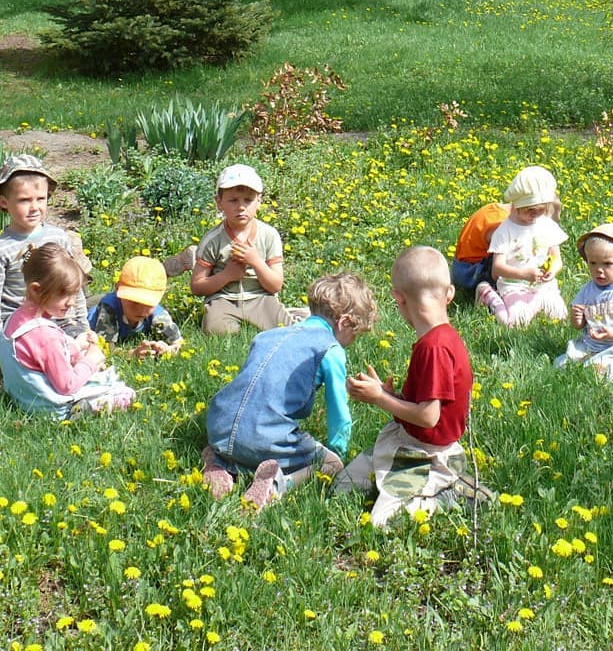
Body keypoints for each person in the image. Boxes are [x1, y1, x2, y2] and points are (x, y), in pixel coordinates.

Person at [337, 246, 487, 526]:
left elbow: (429, 417)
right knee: (343, 486)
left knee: (382, 522)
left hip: (424, 451)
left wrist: (379, 398)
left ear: (399, 298)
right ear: (450, 293)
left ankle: (449, 492)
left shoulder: (434, 348)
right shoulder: (442, 339)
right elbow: (428, 404)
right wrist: (389, 394)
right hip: (410, 439)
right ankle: (433, 480)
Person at [201, 272, 376, 510]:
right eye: (354, 335)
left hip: (218, 426)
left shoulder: (267, 336)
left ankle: (219, 462)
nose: (351, 342)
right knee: (331, 465)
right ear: (344, 322)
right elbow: (339, 413)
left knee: (233, 442)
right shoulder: (330, 349)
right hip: (263, 437)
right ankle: (277, 485)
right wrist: (338, 452)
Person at [0, 243, 135, 418]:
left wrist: (76, 346)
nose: (71, 302)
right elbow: (67, 385)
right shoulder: (45, 335)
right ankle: (80, 410)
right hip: (50, 408)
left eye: (74, 294)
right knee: (126, 393)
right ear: (35, 290)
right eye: (64, 294)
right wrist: (90, 361)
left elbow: (38, 355)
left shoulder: (15, 319)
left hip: (22, 398)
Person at [191, 164, 291, 335]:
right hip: (224, 299)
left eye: (248, 200)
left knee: (285, 330)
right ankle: (232, 325)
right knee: (216, 329)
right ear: (219, 203)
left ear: (259, 201)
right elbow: (197, 287)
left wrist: (256, 261)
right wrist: (227, 276)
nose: (241, 207)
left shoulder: (268, 235)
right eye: (233, 200)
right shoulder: (213, 240)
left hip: (261, 297)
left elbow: (275, 285)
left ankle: (292, 316)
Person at [0, 154, 92, 339]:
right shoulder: (4, 248)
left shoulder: (58, 237)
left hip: (61, 320)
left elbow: (74, 286)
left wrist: (83, 326)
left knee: (85, 351)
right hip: (21, 326)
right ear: (4, 202)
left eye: (41, 199)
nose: (34, 207)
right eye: (24, 200)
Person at [555, 223, 613, 379]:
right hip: (590, 345)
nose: (599, 270)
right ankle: (593, 361)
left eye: (607, 264)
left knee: (604, 372)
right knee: (561, 364)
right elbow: (578, 326)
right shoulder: (588, 289)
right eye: (593, 263)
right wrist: (576, 316)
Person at [476, 166, 567, 326]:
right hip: (514, 286)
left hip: (544, 287)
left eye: (541, 210)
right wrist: (523, 274)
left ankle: (536, 303)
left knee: (560, 317)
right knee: (515, 323)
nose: (535, 215)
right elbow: (497, 269)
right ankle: (488, 295)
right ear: (517, 206)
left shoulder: (546, 224)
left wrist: (552, 270)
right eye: (530, 210)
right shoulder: (505, 231)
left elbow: (556, 258)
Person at [89, 255, 184, 358]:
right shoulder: (109, 309)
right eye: (134, 302)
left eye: (148, 303)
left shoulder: (158, 315)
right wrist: (132, 354)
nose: (141, 309)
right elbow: (105, 348)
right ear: (117, 290)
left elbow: (178, 342)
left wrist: (167, 350)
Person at [450, 201, 509, 301]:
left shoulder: (496, 210)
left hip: (459, 267)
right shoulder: (503, 225)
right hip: (471, 273)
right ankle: (487, 291)